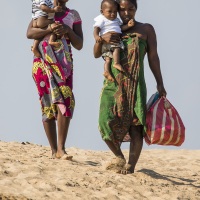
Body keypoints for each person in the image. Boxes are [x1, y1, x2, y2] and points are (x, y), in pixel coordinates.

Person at [93, 0, 167, 174]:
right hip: (113, 83)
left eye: (131, 9)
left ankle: (131, 166)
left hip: (135, 83)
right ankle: (119, 157)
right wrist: (101, 39)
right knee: (104, 120)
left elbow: (153, 57)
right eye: (123, 9)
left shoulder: (146, 29)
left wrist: (160, 82)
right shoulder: (111, 27)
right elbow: (96, 54)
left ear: (136, 9)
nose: (126, 13)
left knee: (136, 125)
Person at [27, 0, 83, 159]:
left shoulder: (73, 15)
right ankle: (54, 150)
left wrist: (68, 31)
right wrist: (49, 28)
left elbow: (79, 44)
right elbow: (29, 33)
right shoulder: (43, 11)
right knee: (47, 103)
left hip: (63, 62)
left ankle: (61, 149)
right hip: (42, 61)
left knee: (65, 99)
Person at [93, 0, 134, 82]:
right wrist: (97, 37)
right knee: (117, 49)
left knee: (107, 58)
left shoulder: (116, 20)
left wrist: (128, 26)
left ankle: (106, 71)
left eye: (115, 12)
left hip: (111, 42)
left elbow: (120, 28)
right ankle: (116, 63)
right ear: (102, 11)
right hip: (108, 41)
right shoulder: (102, 19)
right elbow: (96, 29)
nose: (113, 14)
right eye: (110, 11)